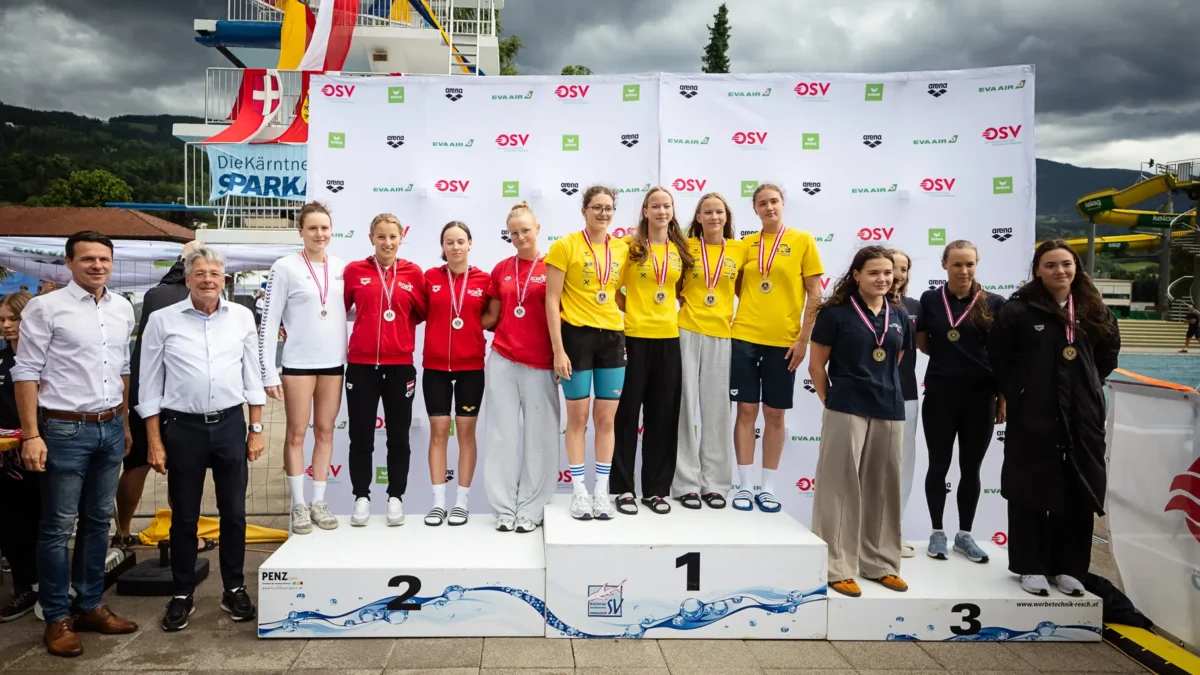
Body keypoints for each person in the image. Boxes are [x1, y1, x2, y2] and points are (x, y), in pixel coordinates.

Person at [12, 231, 139, 658]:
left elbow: (121, 369)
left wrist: (122, 422)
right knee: (57, 527)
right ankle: (57, 617)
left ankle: (89, 605)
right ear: (68, 262)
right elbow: (26, 372)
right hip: (63, 429)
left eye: (104, 258)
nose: (97, 265)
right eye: (87, 258)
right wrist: (31, 435)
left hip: (108, 428)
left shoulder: (122, 309)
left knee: (98, 520)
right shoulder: (45, 308)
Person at [136, 247, 263, 631]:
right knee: (185, 516)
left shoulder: (242, 316)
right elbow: (149, 384)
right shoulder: (161, 319)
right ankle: (181, 594)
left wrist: (255, 429)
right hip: (183, 429)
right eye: (200, 273)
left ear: (225, 278)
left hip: (228, 425)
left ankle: (235, 588)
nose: (208, 279)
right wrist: (155, 441)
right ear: (187, 279)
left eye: (215, 273)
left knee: (235, 514)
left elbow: (252, 374)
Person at [989, 239, 1120, 597]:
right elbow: (1000, 359)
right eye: (1050, 265)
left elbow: (1108, 356)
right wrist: (1022, 392)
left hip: (1082, 414)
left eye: (1066, 264)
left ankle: (1069, 567)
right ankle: (1030, 565)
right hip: (1034, 412)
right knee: (1029, 485)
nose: (1059, 271)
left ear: (1076, 268)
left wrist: (1087, 387)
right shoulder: (1019, 310)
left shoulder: (1094, 309)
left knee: (1078, 487)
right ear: (1038, 270)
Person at [808, 246, 912, 598]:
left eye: (887, 273)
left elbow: (894, 358)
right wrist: (831, 400)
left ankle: (880, 563)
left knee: (884, 489)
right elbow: (816, 366)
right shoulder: (836, 314)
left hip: (889, 407)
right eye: (873, 273)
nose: (882, 279)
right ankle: (836, 566)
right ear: (856, 275)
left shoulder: (899, 315)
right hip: (846, 407)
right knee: (839, 487)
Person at [730, 183, 824, 512]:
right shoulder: (745, 245)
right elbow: (738, 284)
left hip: (785, 341)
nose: (769, 207)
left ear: (783, 204)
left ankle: (767, 487)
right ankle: (744, 485)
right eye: (762, 203)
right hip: (743, 336)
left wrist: (803, 339)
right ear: (754, 210)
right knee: (745, 411)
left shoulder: (803, 241)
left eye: (774, 202)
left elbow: (815, 295)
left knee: (775, 414)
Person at [915, 240, 1007, 564]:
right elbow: (924, 343)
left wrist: (1002, 398)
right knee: (938, 465)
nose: (964, 270)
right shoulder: (930, 300)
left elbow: (1002, 356)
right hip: (940, 393)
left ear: (977, 264)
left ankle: (965, 535)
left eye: (969, 264)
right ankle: (937, 532)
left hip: (981, 396)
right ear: (944, 265)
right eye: (957, 264)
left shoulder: (994, 302)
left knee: (971, 468)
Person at [259, 202, 348, 535]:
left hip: (333, 364)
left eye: (324, 228)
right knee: (296, 434)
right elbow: (269, 324)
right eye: (312, 228)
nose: (319, 234)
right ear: (300, 231)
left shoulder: (340, 267)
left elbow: (345, 310)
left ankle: (318, 501)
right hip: (298, 363)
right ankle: (298, 504)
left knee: (325, 432)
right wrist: (268, 371)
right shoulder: (284, 267)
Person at [545, 185, 629, 521]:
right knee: (577, 419)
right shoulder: (565, 245)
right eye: (596, 207)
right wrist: (558, 350)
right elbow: (552, 299)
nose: (603, 213)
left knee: (606, 420)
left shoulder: (622, 248)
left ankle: (601, 492)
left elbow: (618, 292)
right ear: (584, 210)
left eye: (608, 208)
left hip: (612, 337)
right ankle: (579, 492)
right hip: (575, 339)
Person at [116, 240, 204, 550]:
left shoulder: (158, 295)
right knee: (181, 471)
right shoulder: (192, 298)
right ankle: (184, 535)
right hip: (178, 397)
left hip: (146, 393)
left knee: (136, 467)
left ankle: (123, 532)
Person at [611, 187, 692, 515]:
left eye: (667, 206)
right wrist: (632, 310)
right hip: (633, 338)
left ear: (672, 211)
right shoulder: (630, 249)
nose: (661, 211)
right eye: (655, 206)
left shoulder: (681, 250)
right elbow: (613, 289)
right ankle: (623, 489)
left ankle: (657, 489)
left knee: (663, 415)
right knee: (626, 414)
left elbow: (685, 289)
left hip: (669, 338)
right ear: (645, 211)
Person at [344, 214, 427, 527]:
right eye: (381, 237)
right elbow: (339, 311)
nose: (387, 243)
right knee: (360, 436)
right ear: (371, 238)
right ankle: (361, 497)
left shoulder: (413, 273)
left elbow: (420, 312)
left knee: (399, 437)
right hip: (361, 365)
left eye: (393, 237)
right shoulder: (354, 272)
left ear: (401, 238)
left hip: (399, 366)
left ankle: (395, 497)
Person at [481, 203, 559, 533]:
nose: (520, 237)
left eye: (525, 230)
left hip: (541, 362)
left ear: (538, 228)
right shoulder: (501, 269)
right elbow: (492, 316)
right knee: (501, 435)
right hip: (503, 359)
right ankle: (503, 508)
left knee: (540, 438)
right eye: (514, 232)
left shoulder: (554, 266)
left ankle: (532, 507)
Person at [674, 193, 745, 510]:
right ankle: (686, 483)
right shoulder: (685, 247)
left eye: (719, 212)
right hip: (686, 330)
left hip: (722, 333)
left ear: (727, 217)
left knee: (717, 410)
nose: (714, 217)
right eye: (707, 212)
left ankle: (715, 484)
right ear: (698, 218)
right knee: (684, 408)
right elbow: (674, 286)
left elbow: (742, 288)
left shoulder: (740, 250)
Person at [421, 221, 490, 527]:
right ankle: (438, 503)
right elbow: (419, 311)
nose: (455, 247)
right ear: (443, 247)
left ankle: (461, 502)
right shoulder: (429, 278)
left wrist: (473, 330)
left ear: (470, 243)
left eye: (460, 241)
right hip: (435, 367)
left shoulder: (484, 280)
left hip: (471, 368)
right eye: (449, 242)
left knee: (465, 435)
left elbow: (491, 316)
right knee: (438, 433)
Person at [0, 292, 38, 622]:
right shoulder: (0, 360)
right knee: (12, 524)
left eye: (14, 319)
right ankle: (24, 586)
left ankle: (49, 584)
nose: (7, 326)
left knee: (46, 522)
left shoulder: (47, 359)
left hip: (42, 453)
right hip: (6, 461)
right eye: (2, 321)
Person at [888, 250, 919, 558]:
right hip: (868, 397)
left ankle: (893, 531)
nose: (898, 274)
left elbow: (926, 347)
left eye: (904, 268)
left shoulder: (915, 307)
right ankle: (863, 532)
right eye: (892, 267)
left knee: (902, 466)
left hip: (906, 395)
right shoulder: (863, 305)